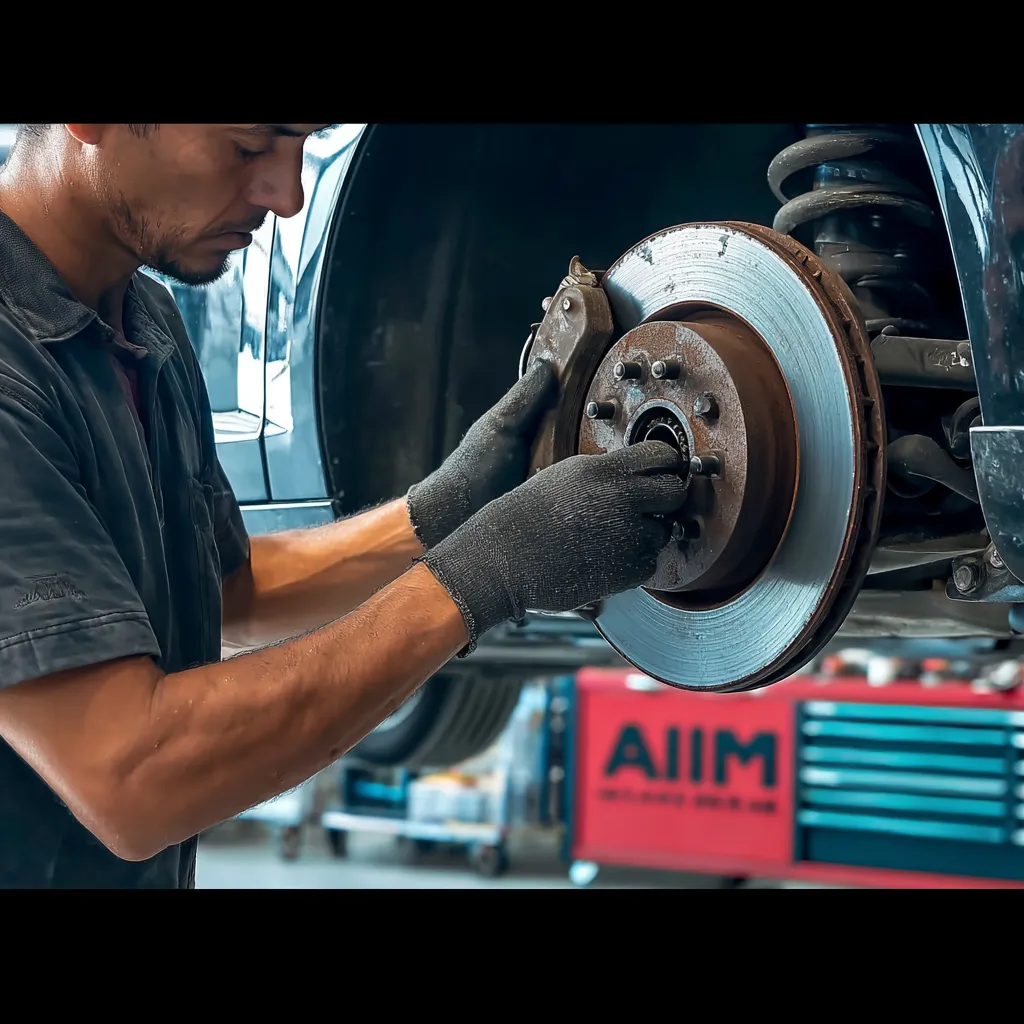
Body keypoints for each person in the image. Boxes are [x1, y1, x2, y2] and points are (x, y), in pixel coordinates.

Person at [0, 123, 687, 888]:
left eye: (302, 144)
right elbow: (130, 777)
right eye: (250, 144)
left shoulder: (144, 321)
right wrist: (483, 571)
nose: (286, 196)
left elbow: (228, 590)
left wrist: (439, 513)